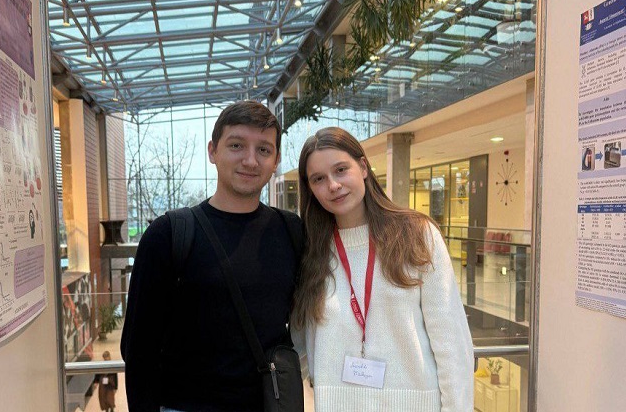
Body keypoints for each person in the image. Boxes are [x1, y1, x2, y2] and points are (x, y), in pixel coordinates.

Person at [121, 101, 302, 412]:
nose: (250, 160)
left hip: (267, 404)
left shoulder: (291, 231)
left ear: (276, 161)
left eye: (263, 149)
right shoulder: (169, 235)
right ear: (212, 151)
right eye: (236, 145)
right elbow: (139, 349)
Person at [292, 127, 473, 412]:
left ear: (363, 167)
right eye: (319, 179)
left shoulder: (416, 234)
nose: (333, 185)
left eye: (341, 170)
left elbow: (452, 344)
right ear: (311, 189)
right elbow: (299, 347)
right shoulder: (311, 250)